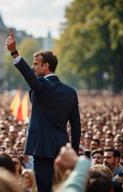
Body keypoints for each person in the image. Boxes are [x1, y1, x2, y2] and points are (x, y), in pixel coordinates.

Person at [5, 31, 81, 192]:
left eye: (36, 64)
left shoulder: (41, 85)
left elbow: (29, 77)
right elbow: (76, 126)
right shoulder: (70, 92)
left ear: (46, 66)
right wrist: (73, 152)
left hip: (42, 149)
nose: (33, 67)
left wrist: (14, 53)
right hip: (63, 149)